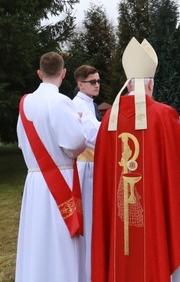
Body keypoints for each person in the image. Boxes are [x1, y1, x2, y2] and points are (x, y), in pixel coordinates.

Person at [92, 38, 180, 282]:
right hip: (154, 207)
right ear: (150, 85)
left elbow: (103, 169)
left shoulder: (108, 118)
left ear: (128, 84)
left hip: (119, 208)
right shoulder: (163, 115)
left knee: (122, 242)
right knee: (155, 235)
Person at [15, 52, 88, 281]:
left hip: (35, 180)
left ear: (39, 73)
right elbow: (75, 143)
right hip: (60, 177)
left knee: (37, 236)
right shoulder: (60, 101)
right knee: (60, 239)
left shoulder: (25, 103)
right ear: (63, 73)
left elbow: (21, 141)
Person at [72, 65, 102, 281]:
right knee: (89, 215)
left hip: (93, 163)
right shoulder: (77, 105)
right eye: (92, 82)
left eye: (98, 81)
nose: (97, 85)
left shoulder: (90, 104)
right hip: (85, 167)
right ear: (80, 84)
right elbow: (94, 134)